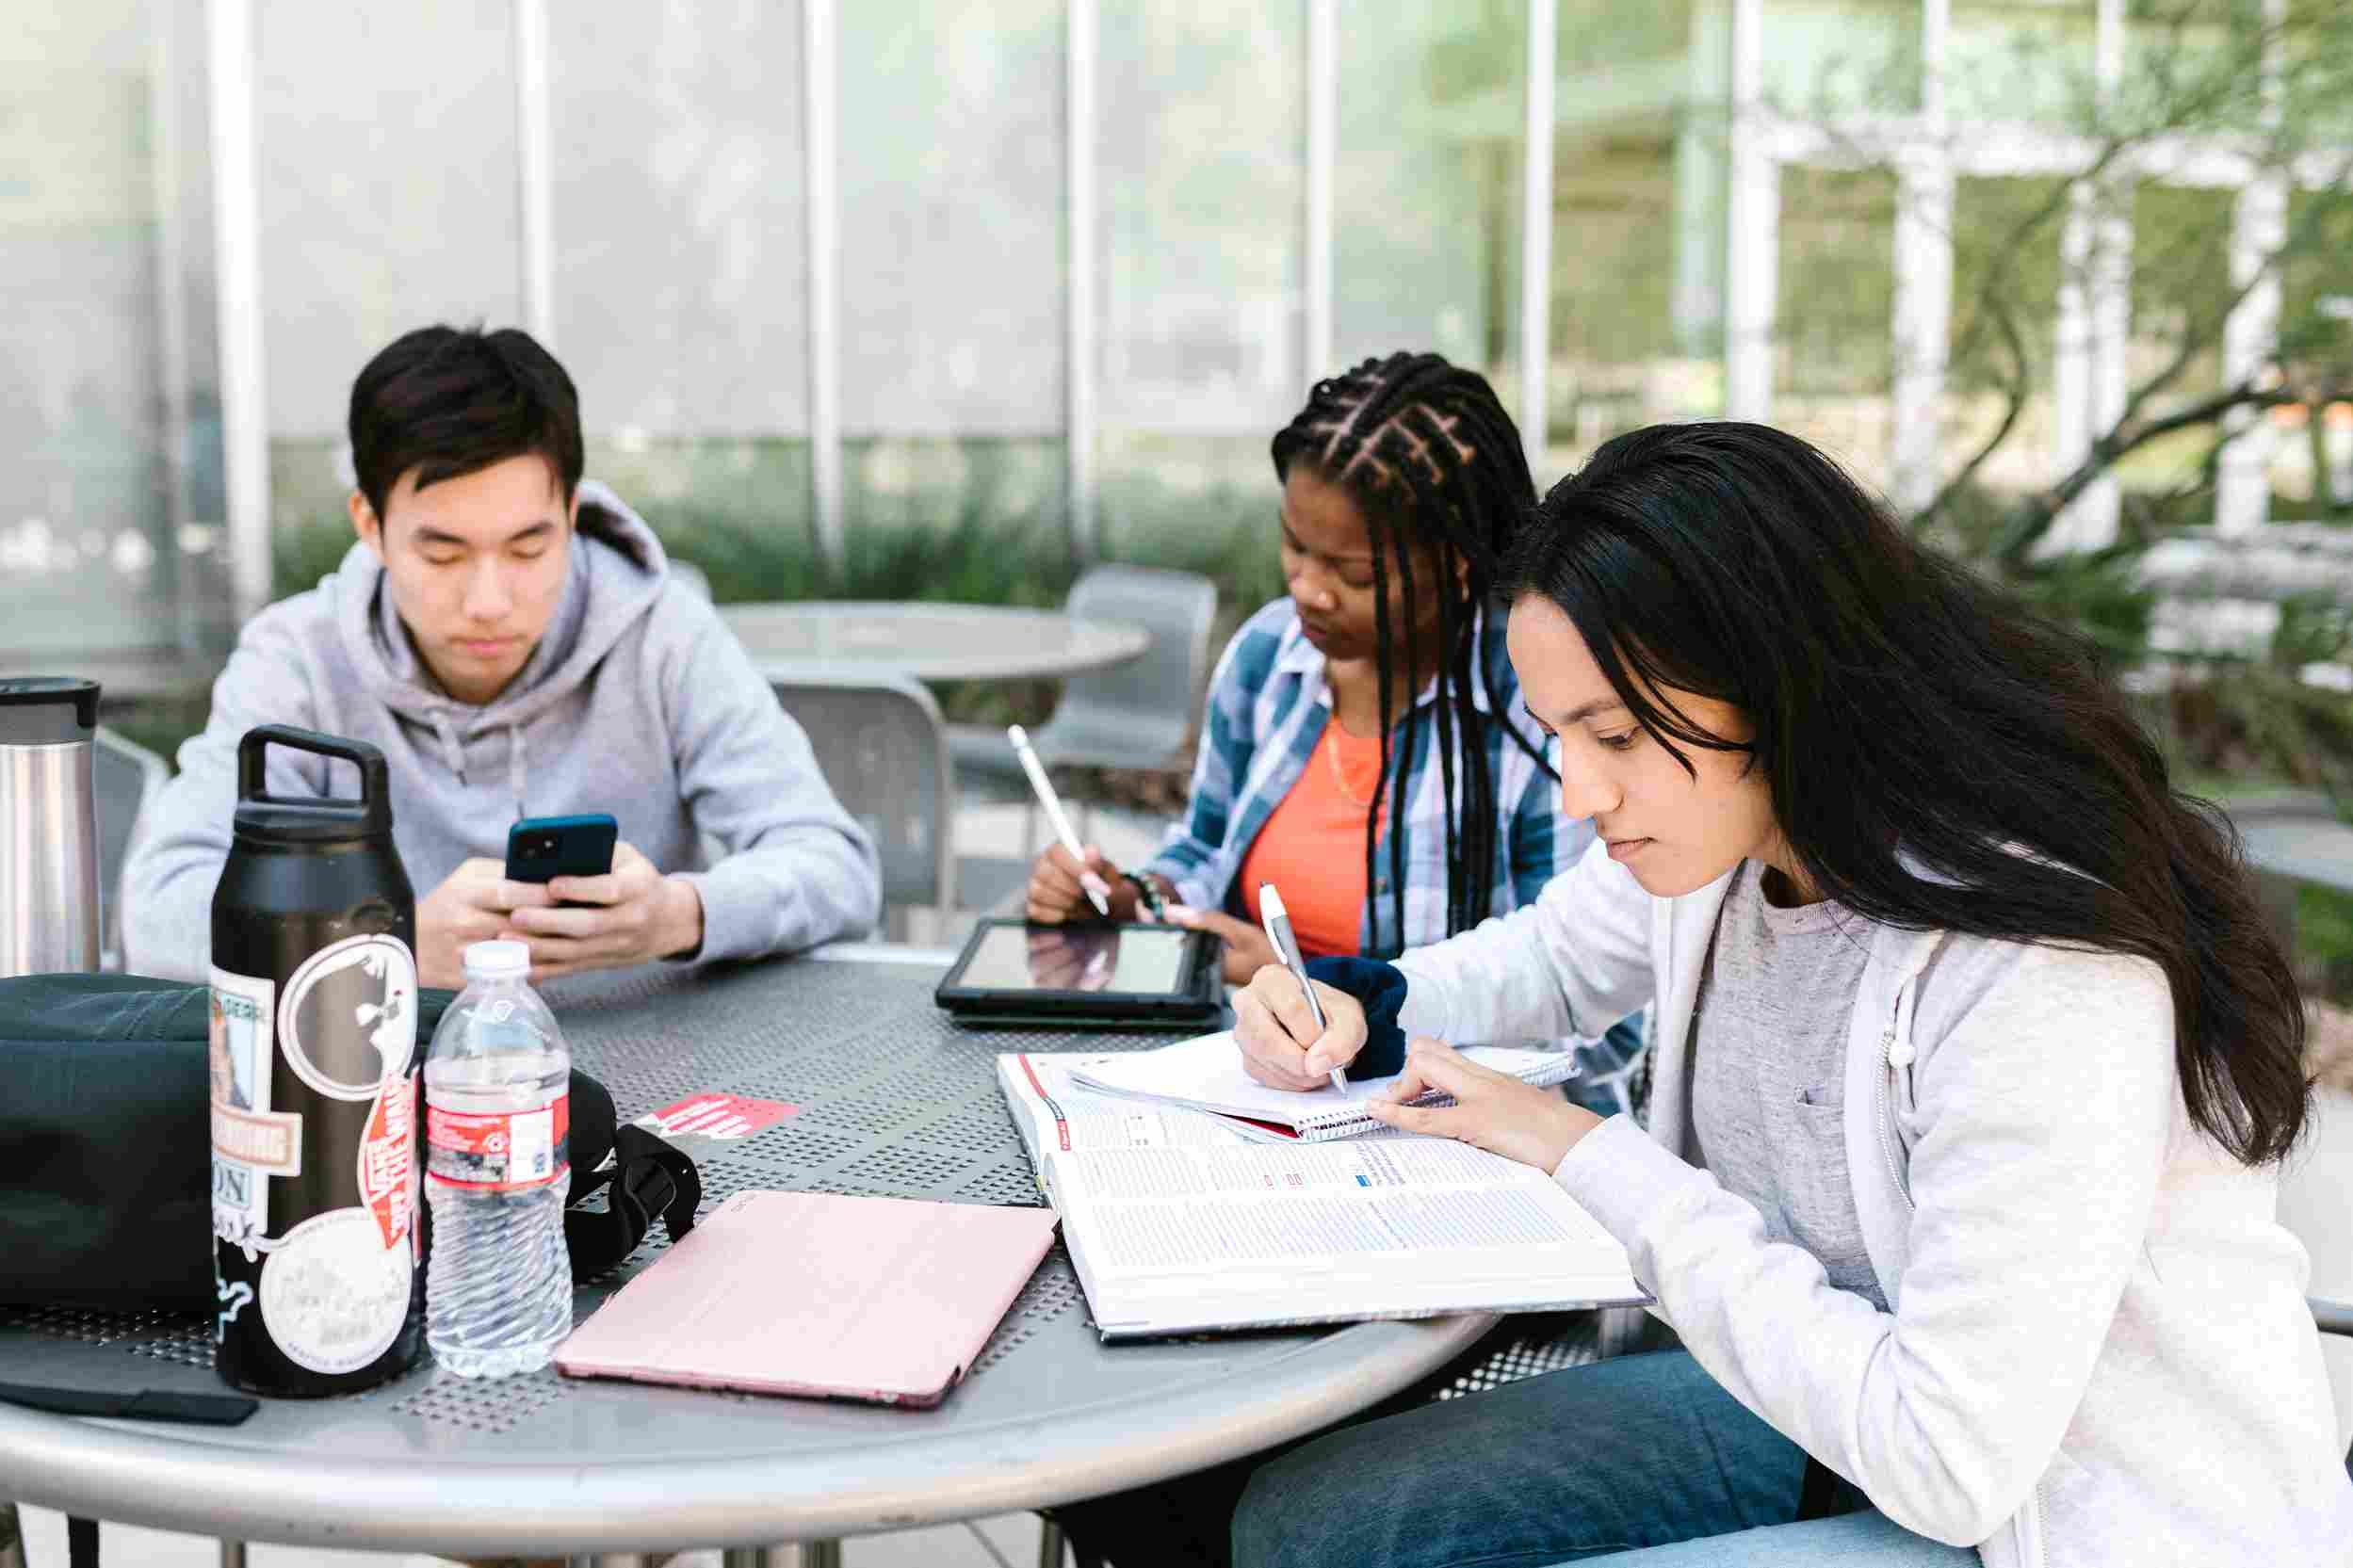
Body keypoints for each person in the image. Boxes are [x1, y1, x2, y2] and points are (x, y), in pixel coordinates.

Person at [1220, 422, 2353, 1566]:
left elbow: (1949, 1463)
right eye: (1557, 734)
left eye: (1611, 734)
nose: (1575, 792)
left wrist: (1585, 1155)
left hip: (2061, 1520)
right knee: (1306, 1529)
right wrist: (1366, 998)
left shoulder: (2031, 966)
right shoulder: (1730, 840)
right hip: (1834, 1416)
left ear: (1774, 683)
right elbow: (1553, 959)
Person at [124, 325, 879, 988]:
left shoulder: (663, 635)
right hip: (381, 1085)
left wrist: (679, 915)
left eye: (528, 547)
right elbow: (159, 908)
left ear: (572, 513)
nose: (489, 599)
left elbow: (836, 864)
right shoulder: (297, 661)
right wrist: (388, 944)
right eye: (443, 552)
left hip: (655, 1080)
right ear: (369, 523)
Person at [1025, 350, 1643, 1109]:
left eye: (1353, 574)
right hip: (1258, 1093)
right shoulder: (1267, 659)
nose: (1308, 589)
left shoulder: (1535, 706)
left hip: (1460, 1129)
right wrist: (1137, 902)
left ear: (1455, 562)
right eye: (1295, 547)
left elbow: (1593, 1007)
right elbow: (1205, 848)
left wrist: (1324, 986)